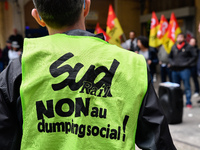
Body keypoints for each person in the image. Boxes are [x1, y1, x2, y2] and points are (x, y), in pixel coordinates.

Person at [0, 0, 176, 150]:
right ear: (86, 6)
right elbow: (160, 143)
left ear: (38, 17)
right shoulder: (132, 65)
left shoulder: (17, 71)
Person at [169, 33, 197, 108]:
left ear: (184, 38)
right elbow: (170, 57)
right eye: (178, 37)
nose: (179, 39)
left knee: (187, 86)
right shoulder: (174, 47)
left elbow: (194, 56)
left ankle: (188, 102)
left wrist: (187, 63)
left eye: (181, 37)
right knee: (175, 87)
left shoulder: (188, 47)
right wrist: (172, 63)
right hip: (175, 70)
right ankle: (177, 102)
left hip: (185, 70)